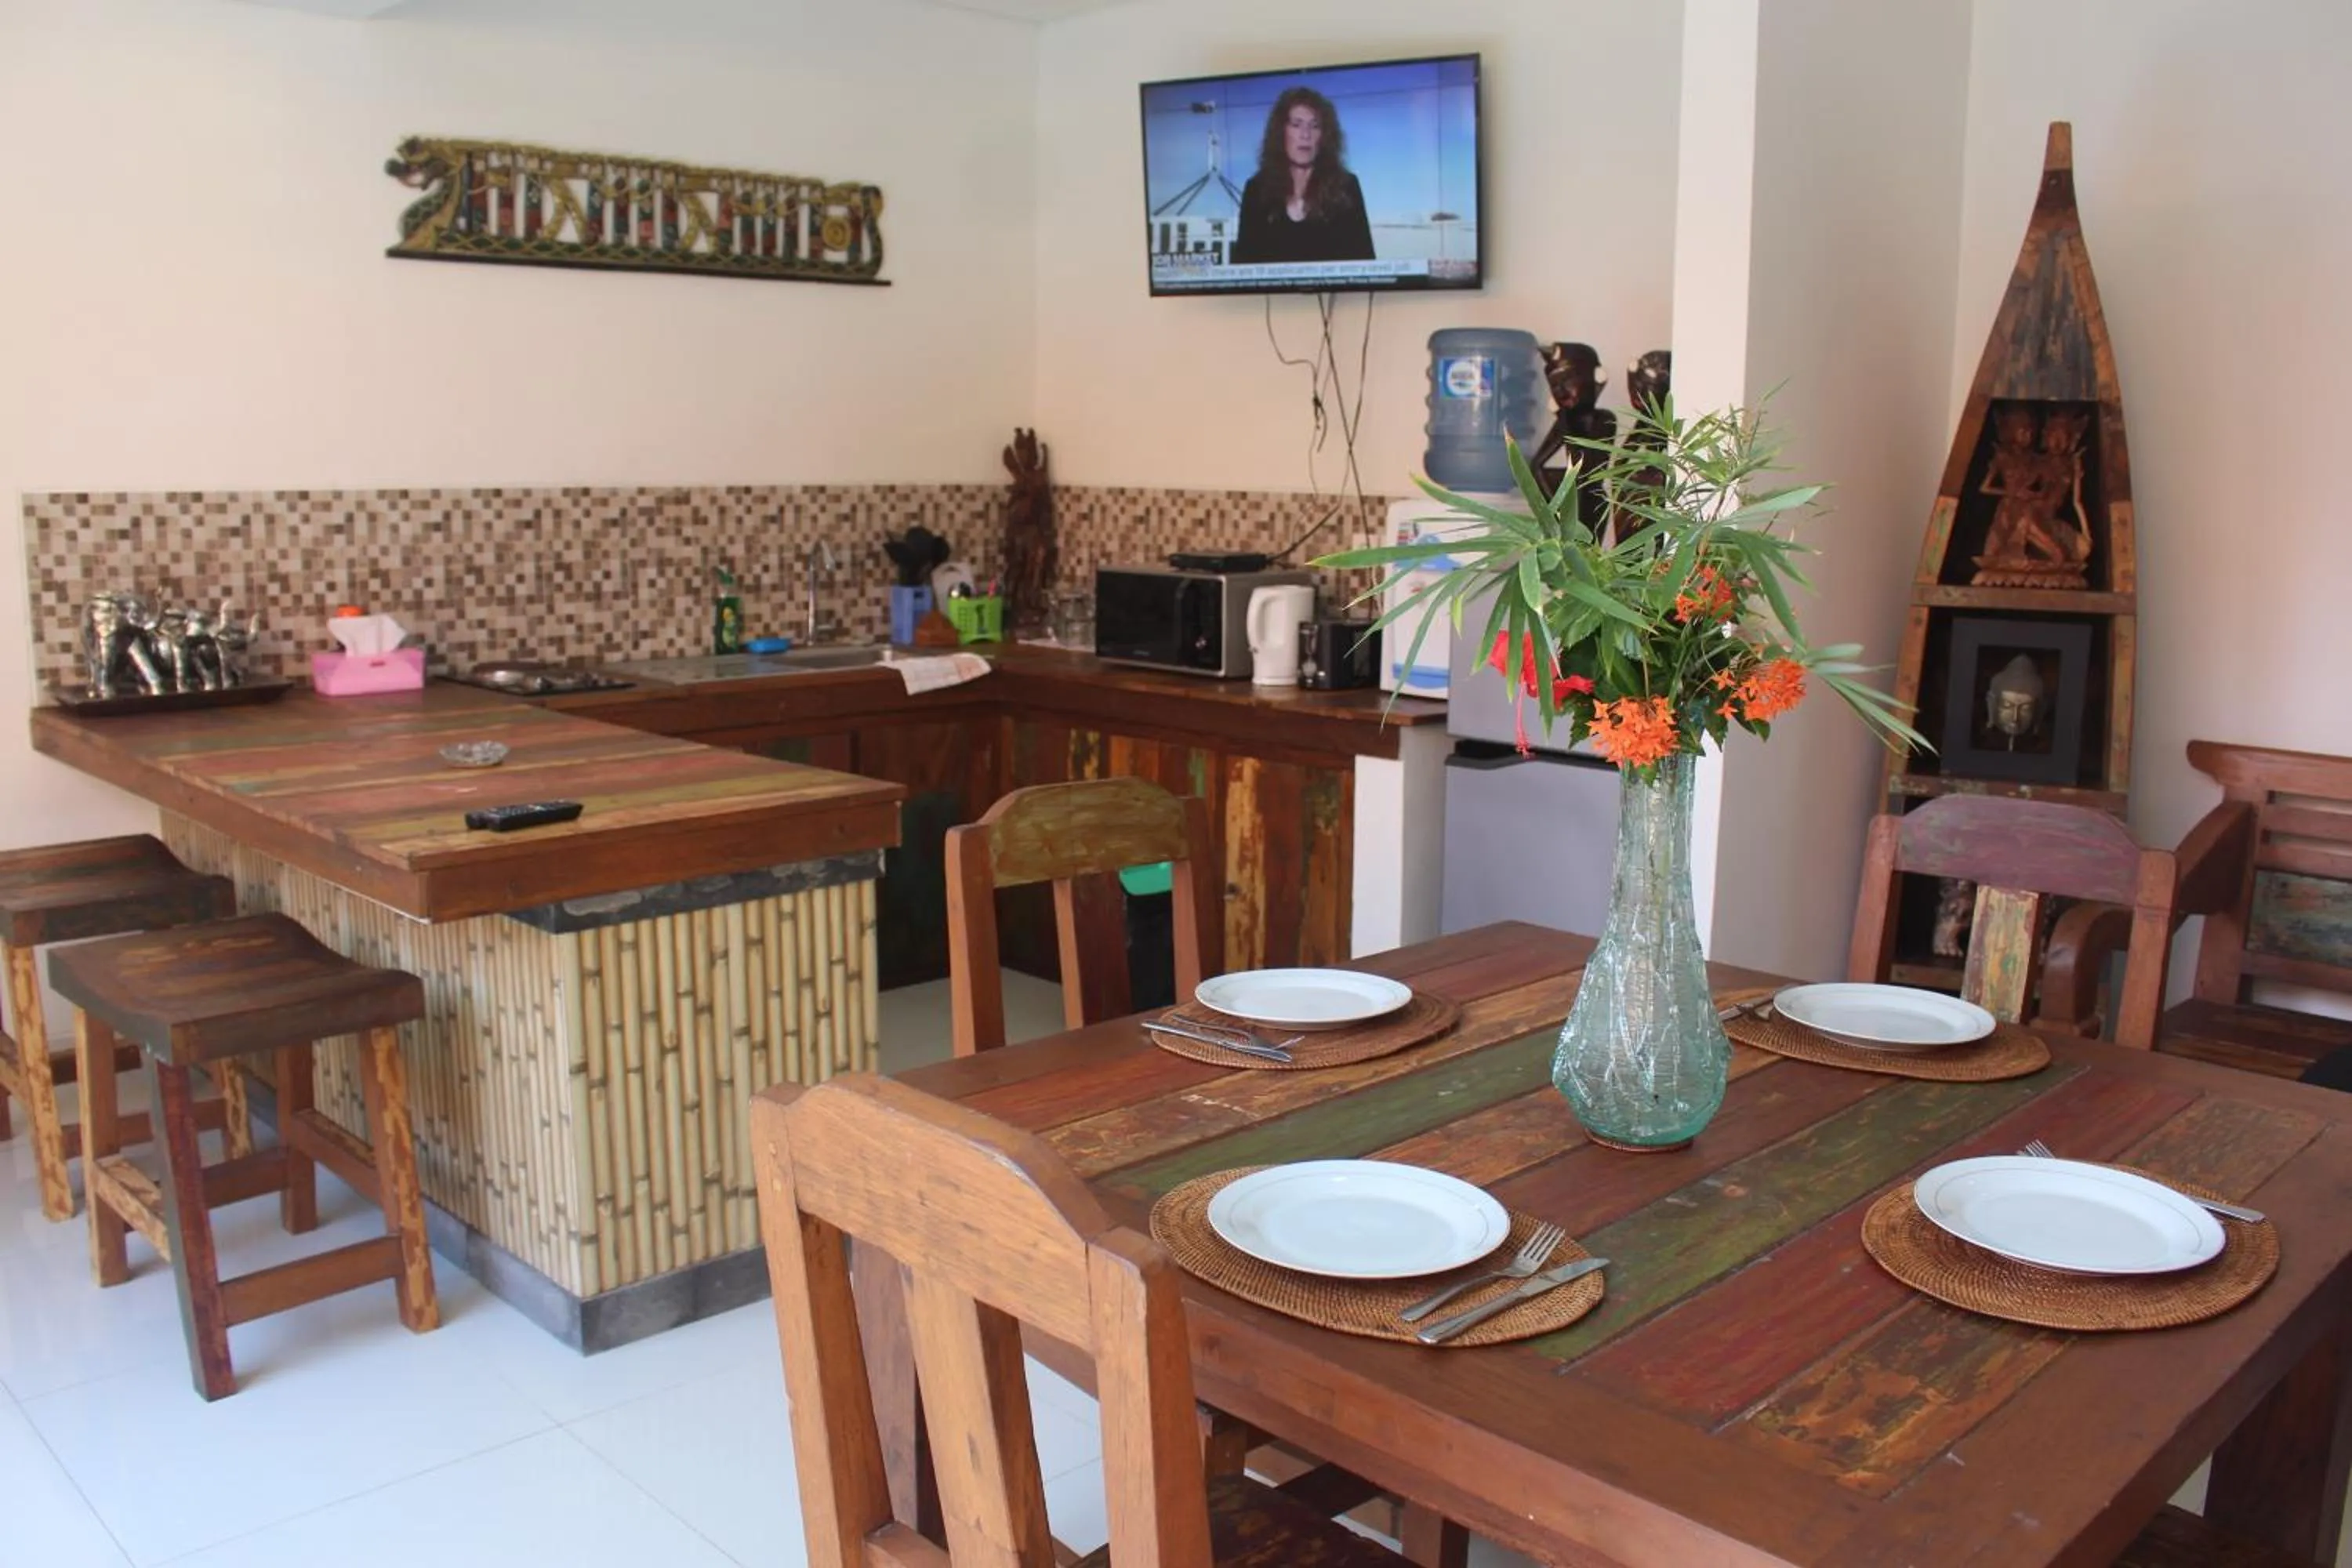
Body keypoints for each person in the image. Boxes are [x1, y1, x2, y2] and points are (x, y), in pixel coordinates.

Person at [1231, 87, 1374, 266]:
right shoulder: (1257, 190)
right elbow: (1244, 266)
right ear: (1281, 132)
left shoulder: (1346, 187)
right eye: (1296, 125)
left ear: (1324, 137)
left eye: (1315, 126)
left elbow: (1365, 264)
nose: (1305, 135)